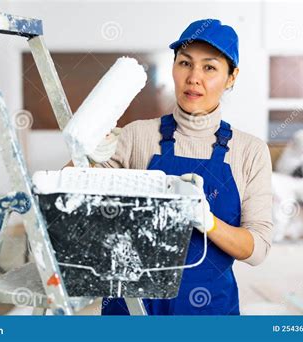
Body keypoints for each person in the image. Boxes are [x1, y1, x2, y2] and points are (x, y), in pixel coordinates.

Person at [72, 19, 273, 315]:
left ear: (231, 77)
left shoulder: (250, 151)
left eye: (209, 67)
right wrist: (85, 146)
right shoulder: (136, 135)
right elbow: (69, 195)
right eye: (185, 63)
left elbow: (257, 249)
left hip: (206, 311)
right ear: (174, 68)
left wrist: (208, 222)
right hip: (129, 308)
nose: (193, 77)